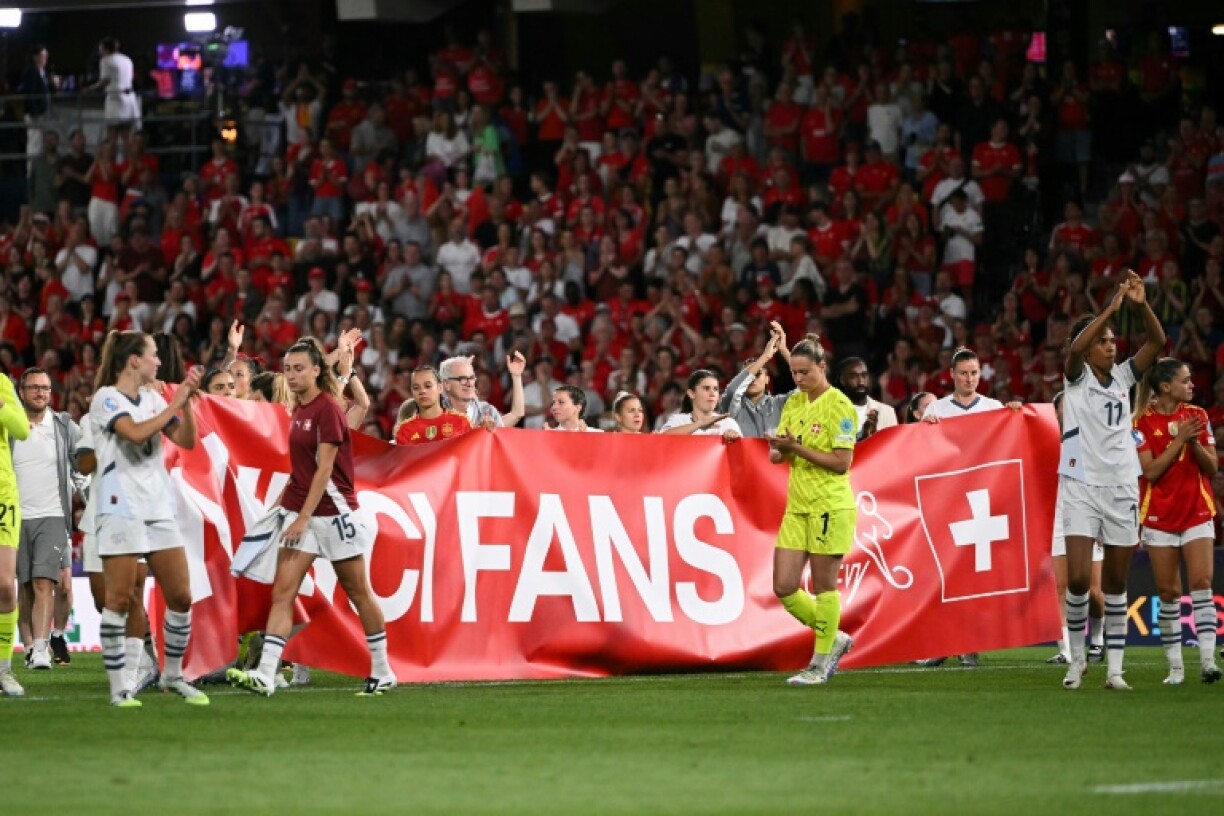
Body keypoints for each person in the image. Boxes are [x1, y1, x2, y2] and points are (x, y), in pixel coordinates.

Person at [228, 338, 396, 697]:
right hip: (304, 514)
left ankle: (382, 670)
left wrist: (302, 517)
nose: (291, 375)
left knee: (358, 592)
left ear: (318, 370)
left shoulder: (326, 410)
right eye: (288, 368)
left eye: (299, 368)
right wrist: (278, 508)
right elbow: (301, 473)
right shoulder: (299, 411)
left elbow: (324, 471)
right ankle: (267, 673)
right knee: (283, 592)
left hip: (335, 515)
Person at [1060, 271, 1165, 690]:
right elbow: (1074, 348)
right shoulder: (1076, 376)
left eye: (1111, 340)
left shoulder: (1123, 377)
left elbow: (1156, 344)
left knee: (1117, 581)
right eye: (1103, 341)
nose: (1111, 345)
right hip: (1081, 484)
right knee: (1081, 579)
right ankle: (1076, 660)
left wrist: (1141, 306)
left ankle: (1116, 671)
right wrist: (1111, 309)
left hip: (1122, 484)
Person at [90, 330, 208, 707]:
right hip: (120, 507)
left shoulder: (155, 398)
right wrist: (174, 404)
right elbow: (136, 434)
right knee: (121, 598)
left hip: (158, 507)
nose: (160, 362)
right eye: (154, 355)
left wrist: (185, 404)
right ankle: (118, 688)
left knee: (181, 595)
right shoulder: (106, 398)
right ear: (134, 360)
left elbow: (187, 441)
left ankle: (172, 675)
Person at [766, 334, 856, 685]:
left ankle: (819, 665)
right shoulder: (794, 403)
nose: (799, 379)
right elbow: (777, 456)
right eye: (794, 373)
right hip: (798, 505)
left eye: (805, 372)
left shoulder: (840, 406)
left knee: (823, 586)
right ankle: (834, 637)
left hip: (829, 506)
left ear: (822, 367)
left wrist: (796, 449)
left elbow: (841, 463)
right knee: (784, 585)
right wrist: (781, 448)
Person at [1132, 358, 1221, 685]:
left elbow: (1211, 468)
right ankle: (1176, 668)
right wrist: (1179, 439)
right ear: (1166, 386)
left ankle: (1208, 662)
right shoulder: (1140, 421)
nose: (1192, 385)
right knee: (1169, 592)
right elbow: (1151, 471)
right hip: (1158, 516)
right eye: (1185, 381)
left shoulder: (1197, 416)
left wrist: (1193, 440)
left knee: (1201, 583)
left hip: (1196, 509)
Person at [13, 368, 81, 670]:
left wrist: (91, 502)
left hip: (53, 515)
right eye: (34, 388)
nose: (41, 393)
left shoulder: (64, 426)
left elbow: (82, 466)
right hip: (16, 516)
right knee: (25, 585)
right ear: (21, 391)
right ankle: (29, 647)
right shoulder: (8, 426)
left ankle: (41, 648)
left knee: (45, 582)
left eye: (46, 388)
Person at [1047, 391, 1105, 666]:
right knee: (1061, 587)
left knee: (1093, 590)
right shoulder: (1044, 440)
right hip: (1058, 518)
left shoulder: (1090, 442)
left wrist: (1103, 524)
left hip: (1088, 516)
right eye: (1062, 407)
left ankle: (1098, 640)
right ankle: (1067, 649)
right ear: (1055, 411)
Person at [0, 370, 31, 696]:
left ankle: (4, 671)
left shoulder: (2, 383)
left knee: (4, 585)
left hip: (2, 495)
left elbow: (22, 430)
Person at [718, 321, 793, 437]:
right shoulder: (733, 407)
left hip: (776, 455)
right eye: (748, 376)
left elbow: (810, 385)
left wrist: (783, 350)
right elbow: (732, 391)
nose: (752, 379)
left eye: (757, 374)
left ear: (767, 379)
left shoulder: (779, 403)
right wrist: (765, 356)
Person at [922, 347, 1022, 423]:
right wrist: (926, 428)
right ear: (952, 373)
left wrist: (1015, 416)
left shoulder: (994, 407)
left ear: (979, 373)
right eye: (963, 373)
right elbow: (923, 445)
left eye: (973, 373)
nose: (969, 379)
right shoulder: (935, 409)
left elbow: (1008, 441)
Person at [439, 352, 526, 428]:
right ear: (447, 384)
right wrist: (478, 431)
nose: (469, 383)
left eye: (471, 378)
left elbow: (516, 414)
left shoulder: (485, 410)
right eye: (462, 378)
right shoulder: (435, 411)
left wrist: (516, 376)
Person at [395, 367, 472, 445]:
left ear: (440, 388)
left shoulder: (461, 423)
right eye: (416, 388)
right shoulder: (405, 431)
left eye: (428, 386)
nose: (422, 391)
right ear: (412, 392)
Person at [661, 370, 743, 442]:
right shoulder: (679, 420)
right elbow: (662, 439)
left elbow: (742, 455)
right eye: (706, 388)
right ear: (692, 394)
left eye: (715, 389)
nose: (712, 394)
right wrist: (699, 423)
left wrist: (735, 440)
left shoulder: (728, 423)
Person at [91, 37, 140, 145]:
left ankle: (111, 162)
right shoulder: (127, 59)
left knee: (112, 137)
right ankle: (131, 162)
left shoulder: (106, 61)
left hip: (115, 100)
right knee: (127, 138)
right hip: (129, 100)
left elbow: (104, 81)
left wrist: (89, 89)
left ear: (105, 49)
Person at [838, 357, 898, 440]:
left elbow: (893, 448)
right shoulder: (833, 411)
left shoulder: (887, 412)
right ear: (842, 380)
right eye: (853, 376)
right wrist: (862, 437)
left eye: (864, 375)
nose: (861, 381)